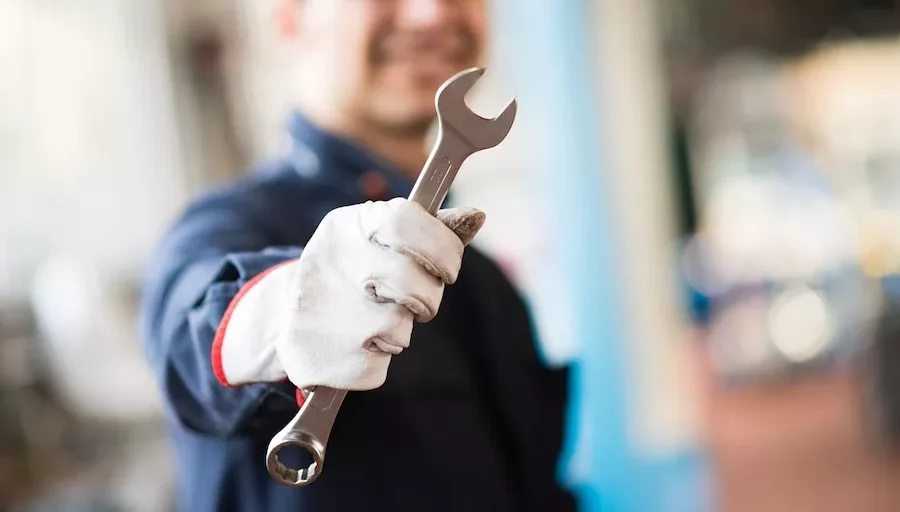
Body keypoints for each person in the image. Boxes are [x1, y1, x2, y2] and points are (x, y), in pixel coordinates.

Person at [139, 0, 575, 510]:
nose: (432, 13)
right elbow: (193, 331)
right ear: (290, 18)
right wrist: (280, 315)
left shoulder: (487, 286)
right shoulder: (225, 227)